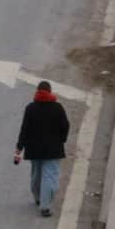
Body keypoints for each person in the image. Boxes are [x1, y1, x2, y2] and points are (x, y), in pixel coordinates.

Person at [14, 80, 70, 218]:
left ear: (37, 92)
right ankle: (45, 206)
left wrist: (19, 147)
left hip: (34, 150)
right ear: (50, 92)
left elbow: (24, 130)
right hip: (53, 150)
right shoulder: (58, 108)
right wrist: (62, 140)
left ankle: (38, 197)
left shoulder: (30, 108)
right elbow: (65, 126)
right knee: (49, 177)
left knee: (36, 175)